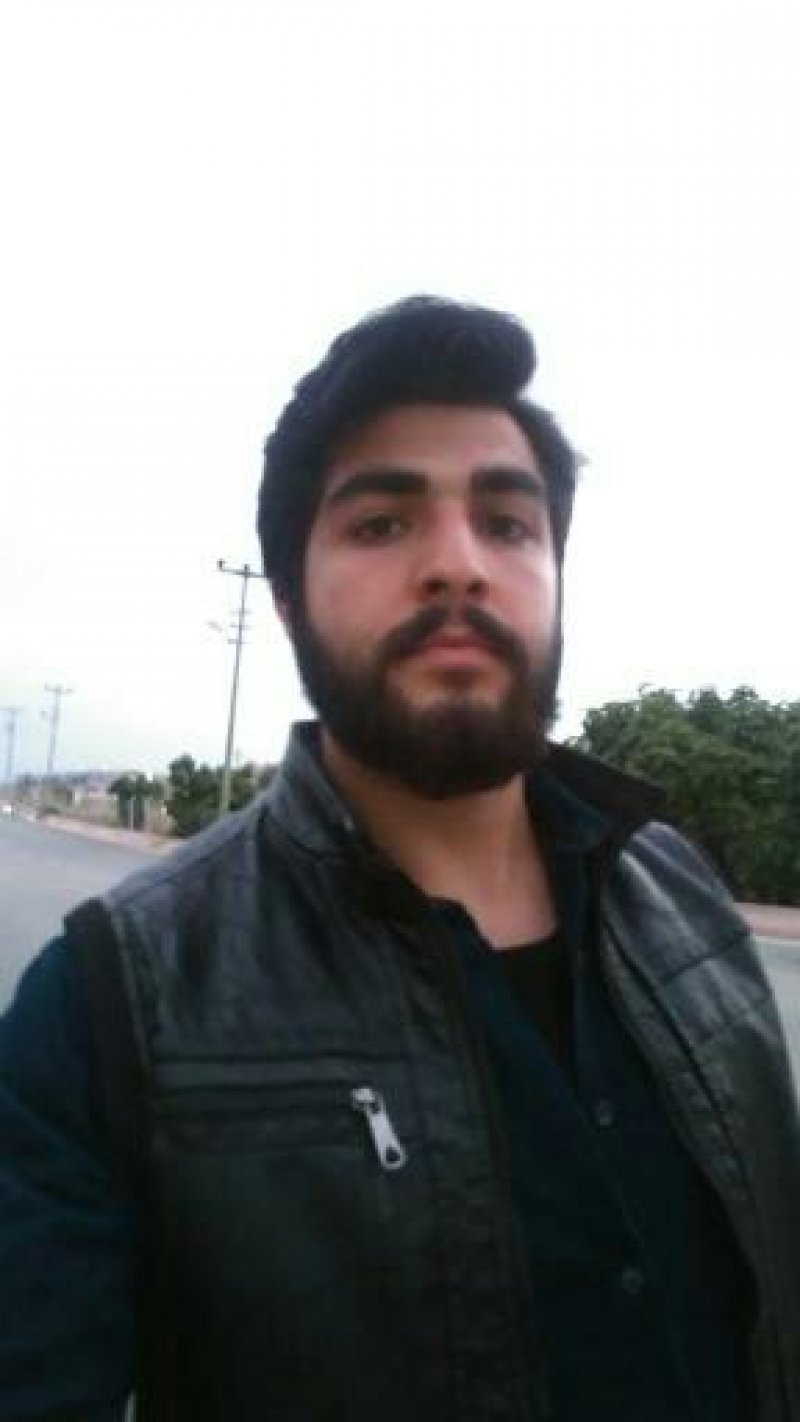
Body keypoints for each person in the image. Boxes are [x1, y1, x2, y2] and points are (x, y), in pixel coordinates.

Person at [1, 296, 798, 1422]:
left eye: (507, 523)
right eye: (381, 524)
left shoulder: (686, 901)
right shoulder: (110, 1003)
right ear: (287, 601)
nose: (458, 566)